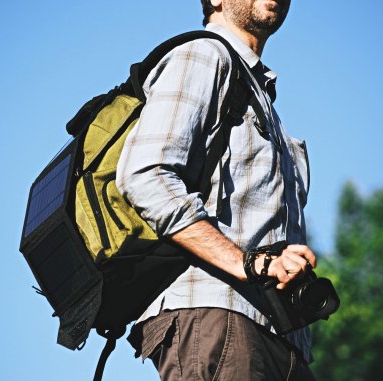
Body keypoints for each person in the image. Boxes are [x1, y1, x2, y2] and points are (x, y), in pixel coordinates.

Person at [116, 0, 317, 379]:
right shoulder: (204, 55)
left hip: (280, 337)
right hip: (216, 316)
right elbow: (145, 175)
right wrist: (251, 263)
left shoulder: (260, 95)